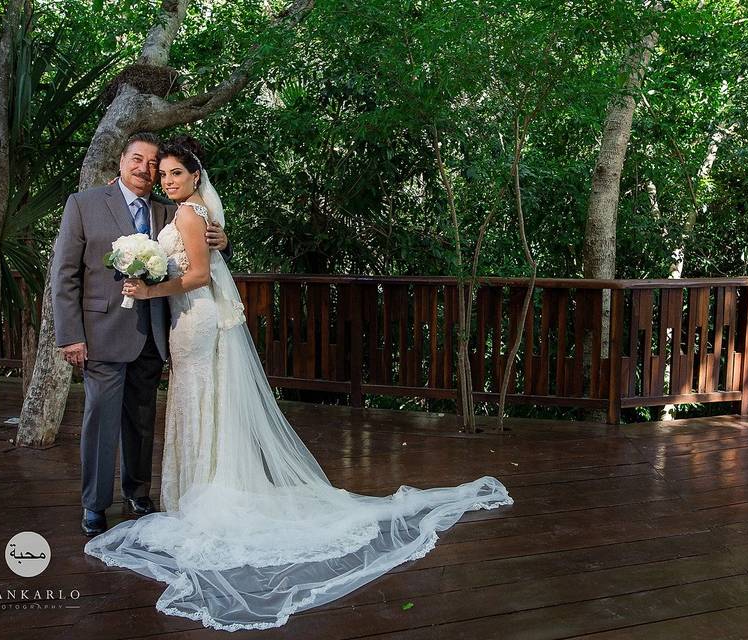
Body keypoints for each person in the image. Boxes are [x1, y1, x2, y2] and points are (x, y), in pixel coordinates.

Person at [84, 136, 513, 631]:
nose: (167, 180)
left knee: (199, 397)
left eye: (175, 173)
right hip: (188, 320)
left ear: (196, 176)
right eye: (163, 175)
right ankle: (202, 484)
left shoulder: (185, 214)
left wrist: (149, 286)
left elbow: (199, 274)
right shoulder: (191, 213)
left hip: (194, 318)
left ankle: (201, 491)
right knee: (202, 399)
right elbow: (203, 251)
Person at [51, 132, 231, 537]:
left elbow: (199, 254)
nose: (145, 169)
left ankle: (138, 493)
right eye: (138, 159)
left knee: (142, 420)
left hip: (154, 333)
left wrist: (224, 241)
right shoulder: (83, 205)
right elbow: (64, 275)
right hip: (100, 334)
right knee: (101, 420)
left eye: (153, 164)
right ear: (121, 161)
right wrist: (70, 336)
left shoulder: (169, 211)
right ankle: (95, 505)